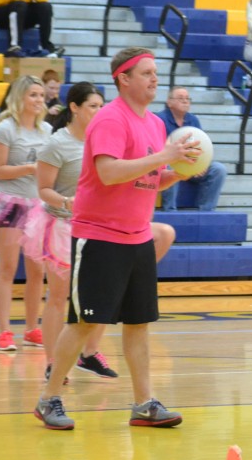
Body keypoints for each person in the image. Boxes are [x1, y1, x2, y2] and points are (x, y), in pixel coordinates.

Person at [34, 47, 197, 430]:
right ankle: (49, 398)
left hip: (137, 236)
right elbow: (109, 172)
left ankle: (144, 403)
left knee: (138, 323)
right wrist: (163, 157)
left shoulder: (154, 124)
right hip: (100, 236)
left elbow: (147, 178)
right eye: (146, 73)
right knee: (84, 323)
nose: (155, 78)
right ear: (124, 79)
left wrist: (177, 173)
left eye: (155, 72)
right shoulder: (110, 118)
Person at [27, 81, 177, 382]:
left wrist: (179, 173)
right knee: (61, 298)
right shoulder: (58, 143)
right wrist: (66, 201)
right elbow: (43, 189)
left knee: (160, 237)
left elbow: (144, 177)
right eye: (92, 106)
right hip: (66, 223)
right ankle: (53, 364)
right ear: (74, 108)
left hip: (115, 227)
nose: (98, 110)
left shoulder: (118, 132)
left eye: (100, 105)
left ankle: (91, 353)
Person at [0, 75, 50, 352]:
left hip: (38, 206)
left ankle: (32, 329)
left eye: (41, 95)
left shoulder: (47, 130)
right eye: (33, 94)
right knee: (8, 268)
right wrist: (30, 168)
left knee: (37, 271)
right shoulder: (5, 128)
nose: (39, 100)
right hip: (10, 202)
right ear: (20, 97)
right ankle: (4, 331)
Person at [156, 87, 227, 210]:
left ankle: (206, 212)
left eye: (187, 98)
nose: (185, 101)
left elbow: (201, 147)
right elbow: (157, 150)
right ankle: (170, 212)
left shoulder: (193, 120)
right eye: (180, 98)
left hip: (191, 164)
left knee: (218, 169)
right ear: (169, 102)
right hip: (171, 164)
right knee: (169, 168)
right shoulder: (159, 120)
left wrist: (200, 165)